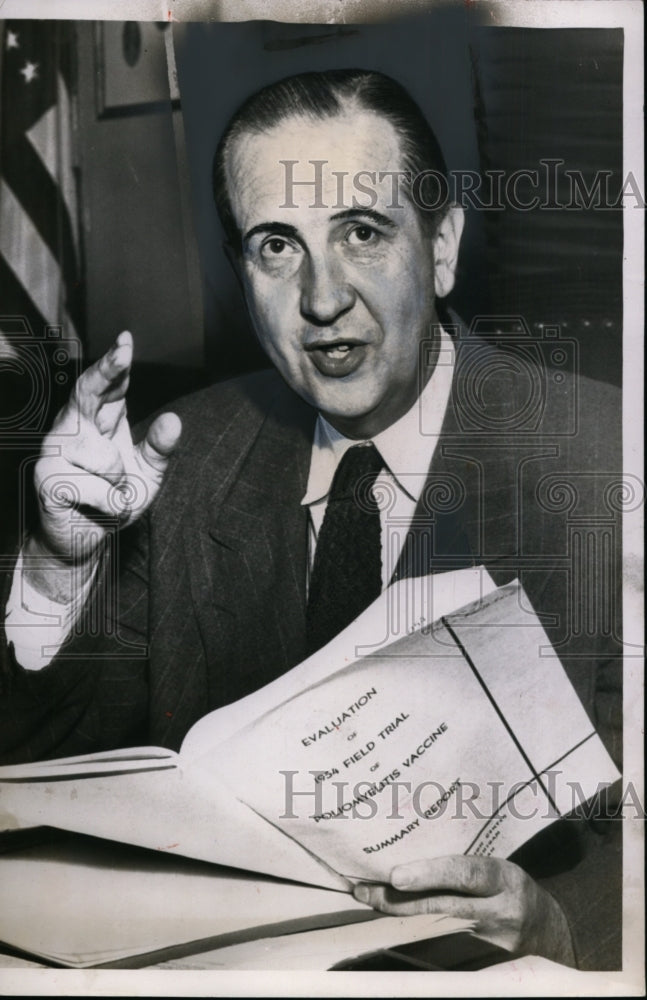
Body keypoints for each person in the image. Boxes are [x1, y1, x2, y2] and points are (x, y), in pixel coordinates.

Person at [0, 69, 621, 969]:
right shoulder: (178, 461)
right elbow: (34, 779)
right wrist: (60, 566)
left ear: (441, 247)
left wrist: (564, 931)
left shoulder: (604, 464)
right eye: (277, 247)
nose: (322, 298)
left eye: (362, 233)